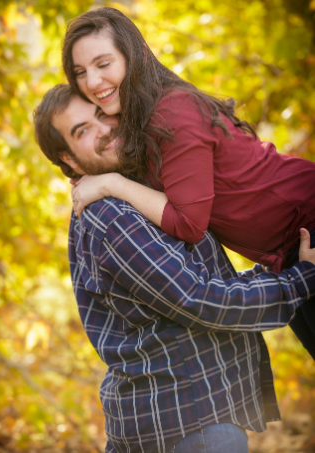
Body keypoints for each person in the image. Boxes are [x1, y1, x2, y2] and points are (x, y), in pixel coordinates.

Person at [33, 83, 315, 453]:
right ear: (67, 158)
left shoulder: (135, 194)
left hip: (188, 420)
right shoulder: (112, 217)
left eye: (102, 115)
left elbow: (201, 286)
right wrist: (300, 280)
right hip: (190, 426)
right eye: (82, 130)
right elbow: (202, 299)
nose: (103, 130)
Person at [61, 7, 315, 359]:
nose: (91, 81)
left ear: (132, 58)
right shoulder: (138, 127)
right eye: (80, 72)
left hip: (308, 225)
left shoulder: (172, 111)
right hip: (286, 256)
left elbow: (188, 224)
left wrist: (112, 184)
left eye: (103, 64)